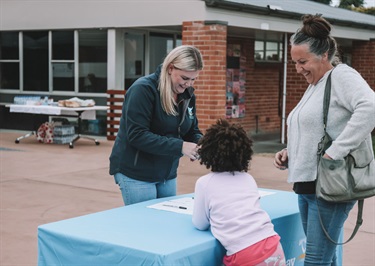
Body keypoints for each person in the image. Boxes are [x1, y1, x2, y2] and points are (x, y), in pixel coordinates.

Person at [274, 14, 375, 266]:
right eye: (295, 62)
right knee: (324, 261)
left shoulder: (341, 76)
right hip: (308, 186)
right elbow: (316, 129)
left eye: (303, 61)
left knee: (315, 261)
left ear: (324, 55)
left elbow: (371, 107)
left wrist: (335, 152)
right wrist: (290, 151)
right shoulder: (315, 84)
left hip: (329, 187)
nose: (298, 69)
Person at [109, 45, 204, 205]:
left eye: (193, 79)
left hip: (167, 172)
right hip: (136, 173)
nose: (189, 84)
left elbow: (191, 129)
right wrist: (181, 147)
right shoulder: (143, 90)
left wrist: (201, 143)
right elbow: (137, 135)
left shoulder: (187, 95)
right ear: (170, 68)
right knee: (145, 226)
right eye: (184, 78)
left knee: (165, 224)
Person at [193, 119, 286, 266]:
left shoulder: (205, 183)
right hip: (273, 246)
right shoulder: (248, 179)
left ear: (207, 151)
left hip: (244, 256)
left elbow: (200, 224)